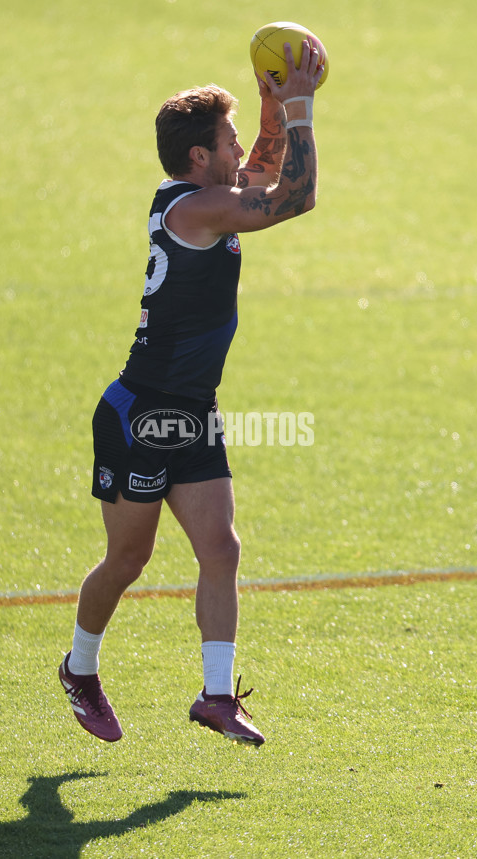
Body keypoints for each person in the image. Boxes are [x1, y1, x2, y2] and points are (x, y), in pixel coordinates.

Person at [59, 41, 324, 746]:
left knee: (222, 548)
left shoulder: (204, 198)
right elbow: (294, 194)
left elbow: (266, 172)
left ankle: (215, 695)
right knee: (128, 560)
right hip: (138, 414)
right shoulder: (197, 212)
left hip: (192, 411)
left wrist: (267, 107)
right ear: (200, 158)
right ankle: (79, 667)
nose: (241, 148)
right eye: (229, 140)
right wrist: (297, 107)